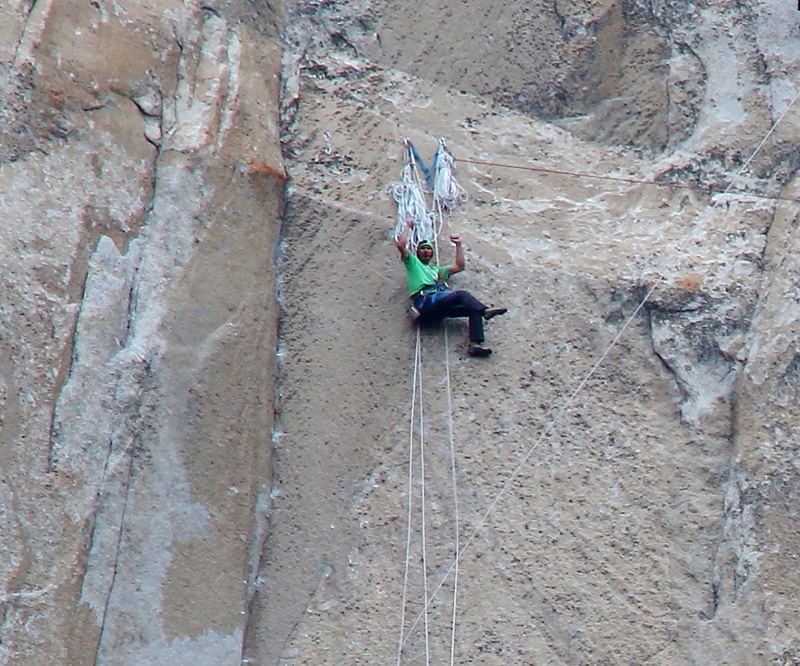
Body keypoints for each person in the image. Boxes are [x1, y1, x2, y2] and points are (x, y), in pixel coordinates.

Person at [396, 219, 507, 357]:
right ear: (417, 252)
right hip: (425, 301)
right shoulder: (412, 263)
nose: (426, 251)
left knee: (473, 309)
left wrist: (458, 245)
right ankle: (485, 311)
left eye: (429, 249)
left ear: (431, 253)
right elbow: (401, 245)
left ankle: (475, 345)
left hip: (437, 308)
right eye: (423, 248)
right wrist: (407, 226)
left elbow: (459, 266)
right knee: (461, 295)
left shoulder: (437, 271)